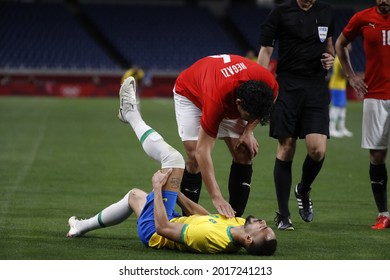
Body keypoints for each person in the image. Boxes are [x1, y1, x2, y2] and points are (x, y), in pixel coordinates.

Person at [67, 77, 277, 255]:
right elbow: (204, 217)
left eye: (262, 228)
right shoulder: (237, 225)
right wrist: (176, 193)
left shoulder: (209, 238)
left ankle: (130, 113)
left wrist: (159, 189)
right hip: (173, 219)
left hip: (155, 230)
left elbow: (163, 227)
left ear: (249, 240)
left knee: (174, 160)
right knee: (134, 196)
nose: (262, 222)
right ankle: (80, 226)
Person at [257, 0, 335, 230]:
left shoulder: (326, 11)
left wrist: (331, 59)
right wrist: (260, 89)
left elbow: (329, 47)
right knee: (286, 147)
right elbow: (265, 51)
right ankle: (283, 215)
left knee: (317, 149)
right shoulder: (280, 12)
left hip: (316, 87)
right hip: (287, 86)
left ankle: (303, 189)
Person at [173, 54, 278, 218]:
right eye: (247, 117)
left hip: (219, 86)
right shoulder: (216, 99)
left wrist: (248, 130)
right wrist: (217, 197)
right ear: (238, 104)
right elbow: (203, 151)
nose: (250, 120)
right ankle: (189, 219)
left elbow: (270, 102)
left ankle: (234, 220)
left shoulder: (268, 82)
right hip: (190, 94)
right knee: (194, 157)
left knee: (244, 152)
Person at [335, 0, 390, 230]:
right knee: (377, 156)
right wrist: (350, 75)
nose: (383, 1)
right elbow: (340, 44)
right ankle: (383, 214)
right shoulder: (362, 18)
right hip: (375, 95)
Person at [328, 45, 353, 138]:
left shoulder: (343, 58)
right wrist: (351, 74)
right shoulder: (340, 59)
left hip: (341, 86)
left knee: (342, 107)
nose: (350, 46)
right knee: (335, 107)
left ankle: (342, 128)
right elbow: (343, 73)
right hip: (336, 86)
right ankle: (331, 129)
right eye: (348, 45)